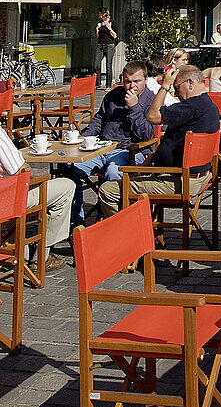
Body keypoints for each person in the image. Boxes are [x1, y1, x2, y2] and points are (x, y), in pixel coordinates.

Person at [99, 64, 220, 217]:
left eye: (177, 88)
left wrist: (165, 86)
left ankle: (129, 234)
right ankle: (139, 223)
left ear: (190, 84)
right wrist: (151, 159)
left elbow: (152, 116)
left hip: (177, 180)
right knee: (129, 178)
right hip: (199, 176)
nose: (176, 94)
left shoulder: (190, 107)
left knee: (108, 190)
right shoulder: (209, 106)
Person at [68, 61, 155, 227]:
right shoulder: (113, 96)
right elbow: (99, 120)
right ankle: (76, 223)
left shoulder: (151, 100)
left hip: (131, 151)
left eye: (136, 81)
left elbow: (146, 134)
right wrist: (84, 137)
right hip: (102, 147)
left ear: (145, 79)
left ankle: (116, 225)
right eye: (128, 81)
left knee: (113, 173)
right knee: (71, 169)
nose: (131, 86)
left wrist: (134, 107)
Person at [0, 127, 73, 273]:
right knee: (67, 186)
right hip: (6, 202)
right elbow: (21, 171)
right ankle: (41, 257)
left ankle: (18, 248)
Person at [94, 7, 118, 88]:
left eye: (98, 13)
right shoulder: (100, 23)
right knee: (96, 65)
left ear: (102, 14)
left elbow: (115, 36)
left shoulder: (111, 22)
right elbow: (97, 36)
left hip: (109, 45)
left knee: (108, 66)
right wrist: (97, 29)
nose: (98, 15)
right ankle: (98, 84)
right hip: (100, 44)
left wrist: (109, 28)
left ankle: (108, 85)